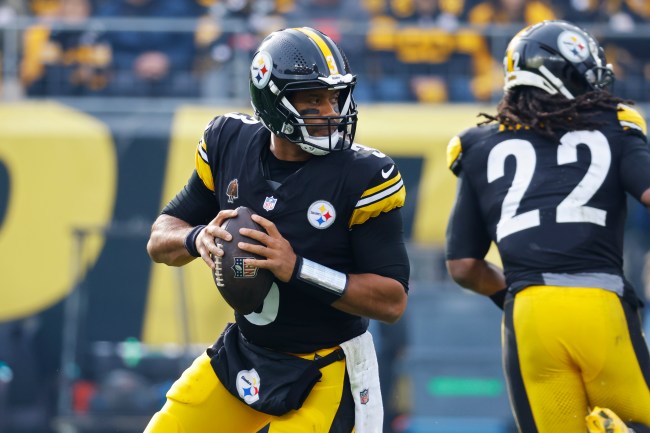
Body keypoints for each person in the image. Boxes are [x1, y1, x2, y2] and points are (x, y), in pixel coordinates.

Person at [144, 26, 410, 433]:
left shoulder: (365, 175)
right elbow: (160, 237)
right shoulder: (227, 141)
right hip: (244, 353)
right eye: (314, 99)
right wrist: (196, 238)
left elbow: (392, 301)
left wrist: (297, 268)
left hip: (327, 367)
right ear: (272, 99)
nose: (331, 111)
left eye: (335, 97)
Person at [445, 20, 650, 433]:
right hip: (600, 303)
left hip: (529, 311)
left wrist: (512, 293)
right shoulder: (617, 126)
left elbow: (463, 266)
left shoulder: (478, 144)